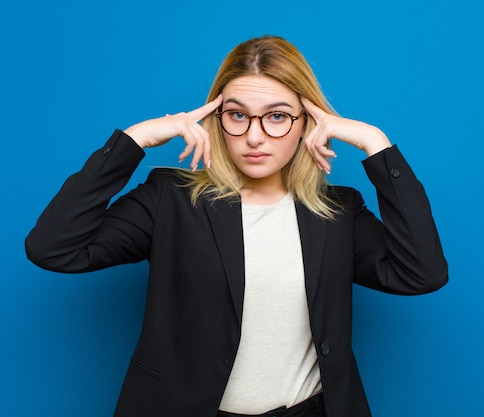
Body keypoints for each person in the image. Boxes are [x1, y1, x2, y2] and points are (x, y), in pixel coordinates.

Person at [25, 35, 448, 417]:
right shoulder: (170, 199)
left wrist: (376, 143)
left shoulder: (337, 212)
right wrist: (134, 140)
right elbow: (54, 248)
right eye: (237, 115)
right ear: (217, 117)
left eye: (278, 116)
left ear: (307, 123)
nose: (255, 136)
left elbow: (420, 273)